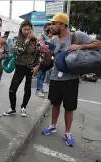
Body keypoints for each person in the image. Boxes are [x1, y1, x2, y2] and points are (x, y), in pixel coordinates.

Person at [41, 13, 100, 147]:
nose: (51, 26)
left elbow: (98, 44)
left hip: (71, 80)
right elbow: (47, 62)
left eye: (54, 23)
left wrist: (79, 46)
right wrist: (45, 52)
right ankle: (53, 126)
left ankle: (68, 132)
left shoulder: (76, 36)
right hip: (55, 78)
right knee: (55, 104)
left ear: (62, 25)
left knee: (69, 108)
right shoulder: (52, 41)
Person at [3, 20, 43, 117]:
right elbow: (18, 51)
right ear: (21, 29)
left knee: (28, 89)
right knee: (12, 89)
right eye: (25, 29)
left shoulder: (35, 41)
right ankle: (12, 108)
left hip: (30, 67)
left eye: (29, 29)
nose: (27, 31)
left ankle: (23, 107)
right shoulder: (16, 39)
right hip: (19, 67)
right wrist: (27, 41)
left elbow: (40, 54)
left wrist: (37, 66)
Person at [36, 23, 53, 97]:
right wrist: (50, 40)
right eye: (48, 28)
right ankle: (37, 90)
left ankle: (41, 87)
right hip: (41, 59)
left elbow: (53, 48)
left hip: (47, 60)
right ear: (45, 29)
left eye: (51, 28)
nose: (50, 30)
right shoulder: (41, 36)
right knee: (39, 75)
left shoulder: (50, 37)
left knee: (43, 75)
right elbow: (43, 47)